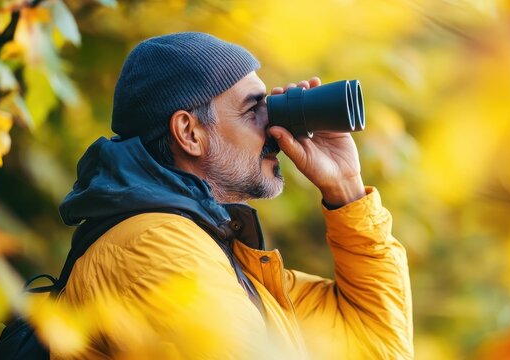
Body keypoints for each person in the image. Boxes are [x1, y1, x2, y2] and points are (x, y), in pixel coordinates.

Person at [57, 32, 413, 359]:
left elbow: (374, 347)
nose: (275, 130)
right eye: (252, 110)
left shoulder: (226, 261)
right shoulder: (155, 249)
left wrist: (345, 188)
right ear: (190, 133)